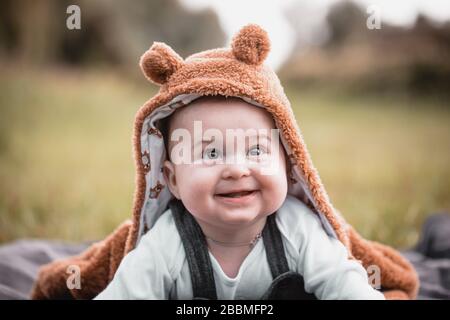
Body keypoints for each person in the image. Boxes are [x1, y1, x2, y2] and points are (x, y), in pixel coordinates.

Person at [31, 24, 419, 300]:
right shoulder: (167, 243)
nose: (236, 169)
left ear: (288, 162)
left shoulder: (297, 230)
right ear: (173, 180)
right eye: (211, 152)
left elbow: (345, 286)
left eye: (255, 150)